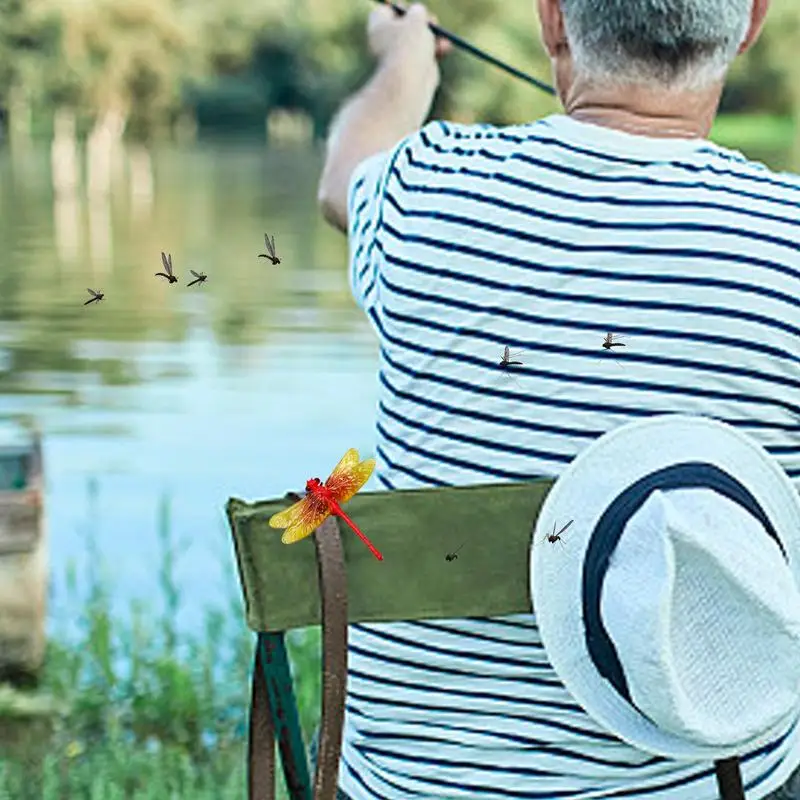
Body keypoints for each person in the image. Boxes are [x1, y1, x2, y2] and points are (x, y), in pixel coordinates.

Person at [316, 0, 800, 797]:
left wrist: (406, 60)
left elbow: (344, 177)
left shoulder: (423, 192)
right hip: (706, 786)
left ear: (552, 19)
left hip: (413, 787)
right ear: (751, 21)